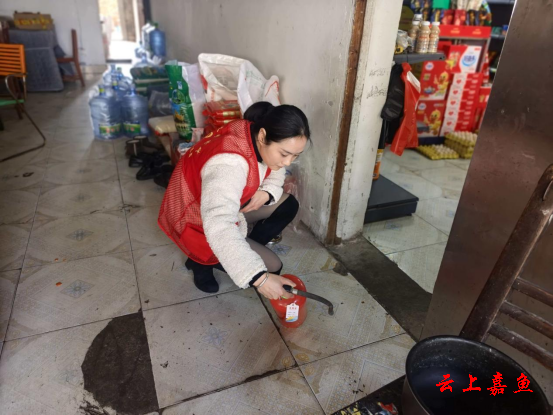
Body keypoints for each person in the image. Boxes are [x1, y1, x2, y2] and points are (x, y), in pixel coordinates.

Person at [158, 102, 311, 300]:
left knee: (287, 205)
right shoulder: (229, 163)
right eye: (284, 154)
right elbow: (218, 224)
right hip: (195, 219)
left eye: (295, 155)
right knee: (271, 268)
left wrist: (267, 192)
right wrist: (259, 278)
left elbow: (277, 168)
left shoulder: (252, 130)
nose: (288, 162)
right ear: (263, 136)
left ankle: (239, 250)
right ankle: (200, 262)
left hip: (220, 203)